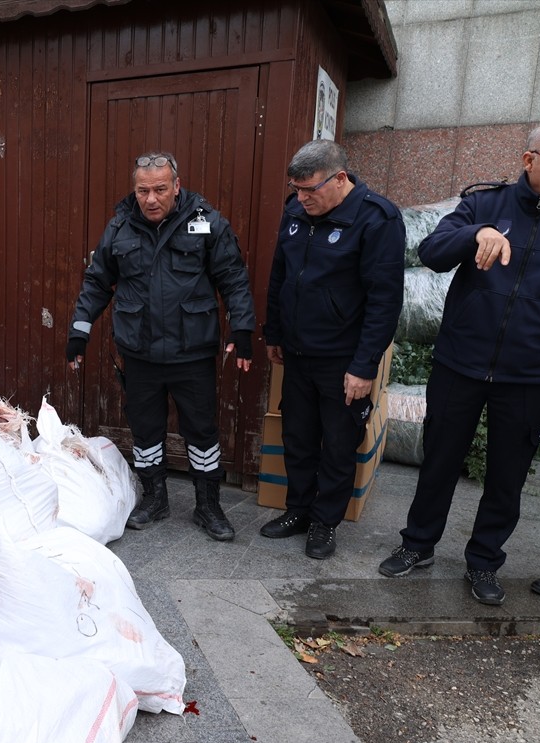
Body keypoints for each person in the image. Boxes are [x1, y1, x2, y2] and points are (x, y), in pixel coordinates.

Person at [378, 116, 540, 605]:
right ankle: (418, 544)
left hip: (533, 374)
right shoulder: (485, 202)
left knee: (507, 474)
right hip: (461, 362)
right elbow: (432, 251)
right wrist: (476, 233)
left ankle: (483, 562)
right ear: (530, 159)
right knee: (438, 460)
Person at [67, 152, 255, 541]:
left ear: (177, 186)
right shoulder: (120, 228)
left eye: (160, 189)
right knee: (145, 431)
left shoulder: (207, 223)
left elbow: (233, 279)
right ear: (134, 191)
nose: (151, 199)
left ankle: (208, 505)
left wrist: (243, 332)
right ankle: (155, 498)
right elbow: (97, 281)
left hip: (193, 352)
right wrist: (79, 333)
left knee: (202, 433)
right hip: (140, 353)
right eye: (142, 191)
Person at [261, 140, 405, 559]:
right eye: (296, 189)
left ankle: (325, 522)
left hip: (344, 359)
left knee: (339, 443)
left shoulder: (377, 219)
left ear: (340, 179)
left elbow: (384, 301)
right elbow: (280, 276)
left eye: (310, 190)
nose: (301, 198)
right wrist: (274, 333)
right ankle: (298, 510)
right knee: (298, 438)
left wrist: (364, 367)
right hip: (298, 352)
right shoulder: (296, 211)